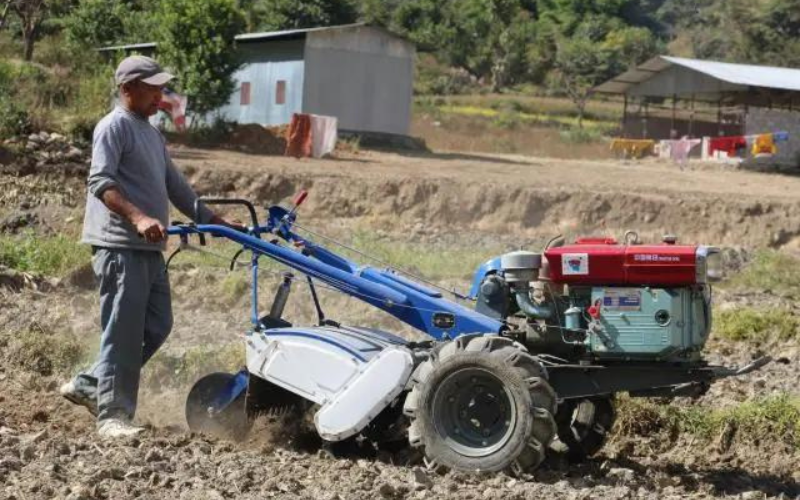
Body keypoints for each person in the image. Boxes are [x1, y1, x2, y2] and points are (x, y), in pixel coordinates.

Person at [59, 55, 238, 438]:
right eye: (153, 89)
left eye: (162, 88)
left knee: (158, 324)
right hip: (120, 244)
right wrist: (139, 218)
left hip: (149, 250)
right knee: (123, 331)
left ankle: (92, 381)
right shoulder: (113, 127)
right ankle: (112, 416)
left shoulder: (151, 133)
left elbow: (176, 187)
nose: (161, 96)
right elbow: (101, 183)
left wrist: (216, 221)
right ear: (128, 89)